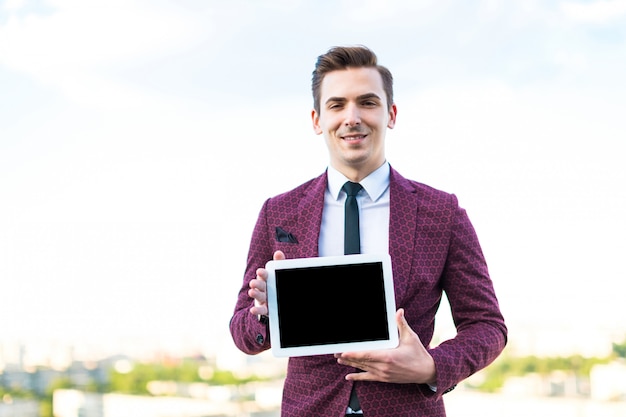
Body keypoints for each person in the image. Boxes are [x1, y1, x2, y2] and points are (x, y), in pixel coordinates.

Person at [230, 45, 507, 417]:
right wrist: (265, 314)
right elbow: (242, 333)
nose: (352, 117)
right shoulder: (278, 212)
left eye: (367, 102)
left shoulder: (442, 213)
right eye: (337, 104)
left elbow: (487, 325)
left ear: (390, 114)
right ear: (317, 120)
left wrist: (431, 367)